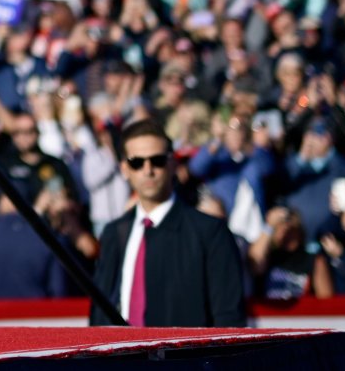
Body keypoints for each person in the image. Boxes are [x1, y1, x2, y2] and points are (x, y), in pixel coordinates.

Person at [89, 120, 246, 327]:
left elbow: (229, 319)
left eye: (158, 161)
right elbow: (99, 314)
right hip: (122, 357)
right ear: (125, 169)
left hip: (184, 358)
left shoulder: (210, 232)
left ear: (173, 164)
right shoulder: (113, 233)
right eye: (137, 162)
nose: (148, 170)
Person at [0, 186, 72, 299]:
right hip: (37, 314)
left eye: (1, 198)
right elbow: (58, 291)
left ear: (9, 200)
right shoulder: (48, 237)